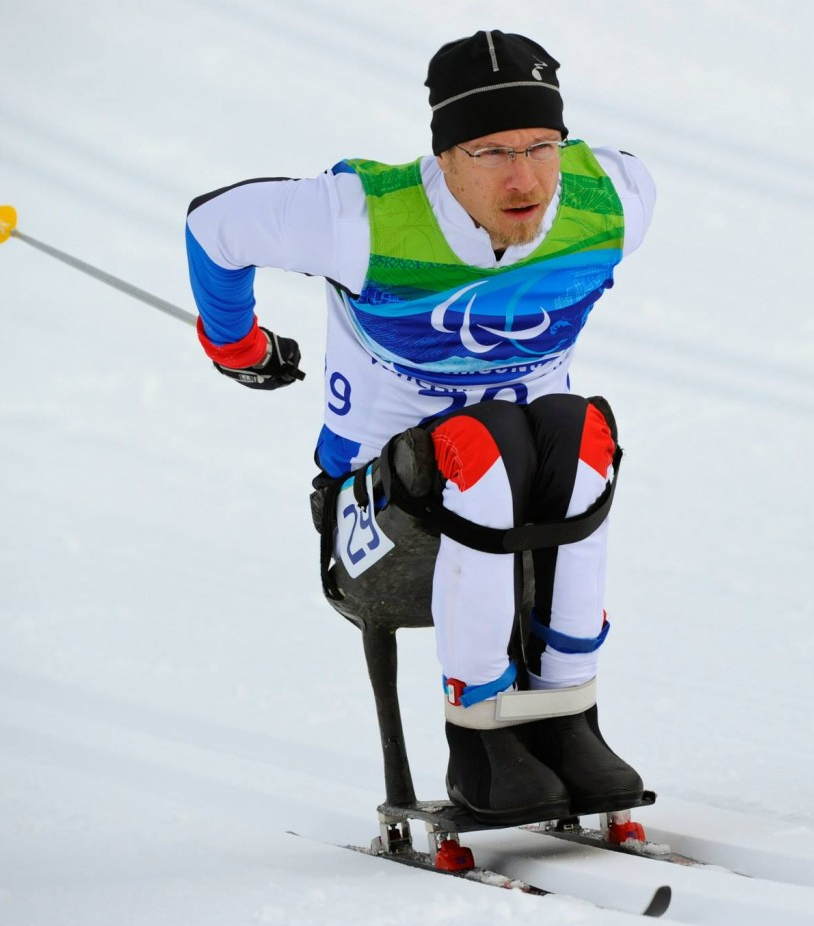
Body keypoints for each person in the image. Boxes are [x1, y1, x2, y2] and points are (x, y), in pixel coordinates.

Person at [184, 30, 655, 827]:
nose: (523, 178)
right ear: (443, 159)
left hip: (526, 513)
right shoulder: (360, 220)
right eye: (490, 151)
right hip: (376, 526)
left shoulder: (614, 200)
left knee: (583, 432)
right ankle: (479, 738)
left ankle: (569, 717)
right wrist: (236, 343)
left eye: (542, 146)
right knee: (482, 439)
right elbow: (214, 226)